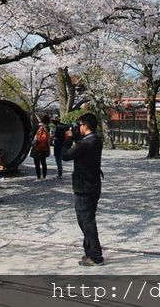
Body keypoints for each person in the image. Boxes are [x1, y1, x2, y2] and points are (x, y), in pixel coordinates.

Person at [62, 113, 104, 266]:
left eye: (80, 125)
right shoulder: (95, 140)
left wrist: (67, 139)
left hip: (84, 187)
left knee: (86, 221)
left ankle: (96, 256)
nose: (78, 127)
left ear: (85, 125)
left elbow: (65, 156)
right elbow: (81, 146)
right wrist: (74, 138)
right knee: (87, 219)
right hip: (92, 185)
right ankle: (90, 252)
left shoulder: (86, 144)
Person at [31, 114, 51, 180]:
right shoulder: (47, 127)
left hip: (36, 147)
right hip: (44, 147)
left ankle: (38, 177)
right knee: (43, 162)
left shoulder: (36, 126)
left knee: (37, 163)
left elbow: (31, 136)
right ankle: (44, 177)